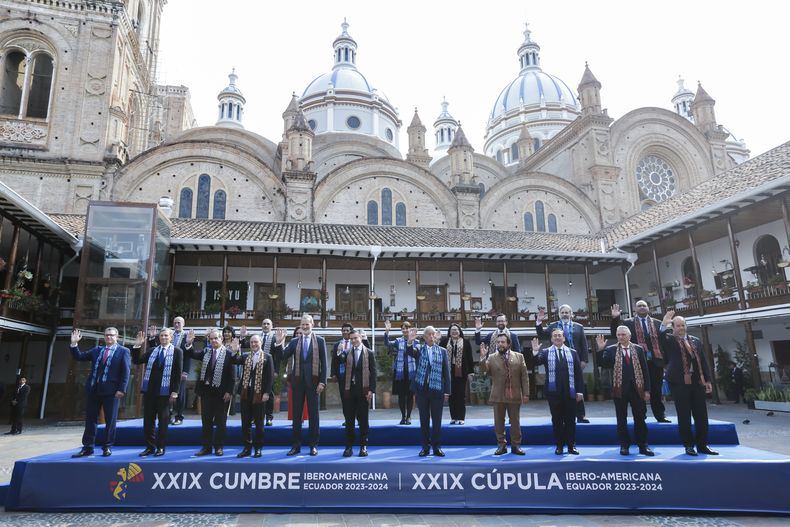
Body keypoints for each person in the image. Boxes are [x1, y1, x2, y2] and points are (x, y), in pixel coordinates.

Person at [659, 312, 718, 456]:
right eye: (678, 326)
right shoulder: (670, 339)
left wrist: (708, 380)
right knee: (684, 415)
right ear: (673, 328)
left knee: (701, 415)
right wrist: (663, 324)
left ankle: (702, 445)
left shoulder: (695, 340)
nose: (681, 328)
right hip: (679, 383)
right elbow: (660, 338)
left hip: (697, 381)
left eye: (683, 325)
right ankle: (688, 445)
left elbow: (703, 360)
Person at [69, 327, 131, 457]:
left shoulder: (123, 351)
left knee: (110, 420)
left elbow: (126, 372)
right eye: (107, 335)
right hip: (94, 390)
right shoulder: (97, 350)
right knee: (90, 419)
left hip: (112, 392)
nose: (109, 337)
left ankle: (107, 446)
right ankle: (88, 447)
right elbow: (79, 357)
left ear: (117, 337)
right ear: (104, 337)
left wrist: (122, 389)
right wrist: (74, 344)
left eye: (112, 335)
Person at [596, 327, 655, 456]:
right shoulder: (611, 350)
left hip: (637, 389)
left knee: (640, 418)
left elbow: (645, 370)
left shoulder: (638, 349)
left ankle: (643, 446)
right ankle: (624, 445)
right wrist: (600, 350)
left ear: (629, 335)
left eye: (623, 334)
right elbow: (603, 364)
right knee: (621, 419)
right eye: (618, 335)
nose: (621, 337)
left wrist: (647, 390)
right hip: (619, 390)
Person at [275, 314, 327, 456]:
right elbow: (283, 357)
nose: (304, 327)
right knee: (297, 416)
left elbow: (324, 363)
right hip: (297, 383)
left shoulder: (320, 341)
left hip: (314, 383)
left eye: (307, 324)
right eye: (302, 324)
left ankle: (313, 445)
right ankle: (296, 445)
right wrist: (279, 344)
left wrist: (323, 381)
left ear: (312, 325)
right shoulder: (294, 341)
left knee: (314, 416)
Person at [610, 301, 671, 422]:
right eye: (639, 306)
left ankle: (660, 415)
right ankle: (641, 414)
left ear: (648, 308)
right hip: (636, 361)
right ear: (635, 309)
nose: (642, 308)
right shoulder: (628, 322)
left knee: (656, 389)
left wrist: (665, 328)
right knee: (638, 390)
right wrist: (615, 318)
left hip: (654, 362)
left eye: (644, 305)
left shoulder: (658, 323)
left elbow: (664, 342)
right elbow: (615, 333)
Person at [531, 330, 584, 455]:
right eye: (554, 336)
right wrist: (534, 351)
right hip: (553, 393)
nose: (557, 337)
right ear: (551, 339)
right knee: (557, 420)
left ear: (564, 338)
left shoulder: (572, 352)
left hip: (570, 392)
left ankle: (571, 446)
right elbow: (535, 362)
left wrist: (580, 391)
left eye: (559, 335)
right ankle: (559, 446)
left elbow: (578, 374)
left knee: (571, 420)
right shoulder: (546, 352)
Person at [184, 328, 235, 456]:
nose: (213, 341)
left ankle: (219, 447)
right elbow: (192, 354)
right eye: (211, 339)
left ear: (221, 339)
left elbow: (232, 376)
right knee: (206, 422)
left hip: (222, 394)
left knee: (221, 422)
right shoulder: (206, 352)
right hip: (206, 393)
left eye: (216, 338)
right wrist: (189, 344)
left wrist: (229, 391)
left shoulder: (229, 354)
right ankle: (206, 447)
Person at [132, 328, 183, 457]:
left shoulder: (177, 351)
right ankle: (150, 447)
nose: (163, 338)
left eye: (166, 335)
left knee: (163, 420)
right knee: (148, 420)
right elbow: (137, 361)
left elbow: (178, 373)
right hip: (150, 391)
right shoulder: (152, 350)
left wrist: (175, 391)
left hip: (165, 392)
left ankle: (160, 447)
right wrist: (137, 346)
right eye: (161, 335)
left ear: (171, 337)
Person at [536, 305, 590, 423]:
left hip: (574, 359)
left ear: (571, 314)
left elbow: (583, 344)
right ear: (559, 314)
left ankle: (580, 414)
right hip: (557, 359)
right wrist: (539, 322)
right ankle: (560, 414)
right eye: (562, 312)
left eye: (567, 312)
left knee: (577, 386)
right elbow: (542, 335)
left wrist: (584, 360)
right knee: (561, 388)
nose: (565, 314)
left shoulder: (579, 327)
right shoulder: (553, 326)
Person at [479, 334, 529, 455]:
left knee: (515, 422)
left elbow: (524, 377)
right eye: (498, 342)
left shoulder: (519, 357)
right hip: (498, 395)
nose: (500, 344)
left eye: (502, 342)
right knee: (498, 422)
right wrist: (482, 358)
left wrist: (526, 394)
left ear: (508, 344)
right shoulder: (491, 357)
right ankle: (501, 445)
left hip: (514, 394)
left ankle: (516, 446)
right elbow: (483, 373)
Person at [406, 325, 451, 457]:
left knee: (437, 421)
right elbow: (409, 352)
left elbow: (446, 373)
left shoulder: (442, 351)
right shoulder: (419, 349)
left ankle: (437, 447)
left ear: (436, 336)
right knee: (424, 420)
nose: (431, 337)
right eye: (428, 335)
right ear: (424, 337)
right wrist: (410, 341)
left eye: (433, 334)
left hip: (437, 390)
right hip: (422, 390)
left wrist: (447, 391)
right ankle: (425, 447)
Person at [230, 334, 274, 458]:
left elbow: (270, 377)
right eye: (252, 342)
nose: (254, 344)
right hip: (246, 393)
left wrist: (266, 393)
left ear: (261, 342)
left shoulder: (267, 357)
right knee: (245, 422)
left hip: (260, 394)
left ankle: (258, 448)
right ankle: (247, 448)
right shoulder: (245, 356)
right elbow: (234, 361)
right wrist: (234, 351)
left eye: (256, 342)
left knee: (259, 423)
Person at [146, 318, 190, 425]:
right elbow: (156, 350)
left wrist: (185, 371)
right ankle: (167, 416)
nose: (176, 324)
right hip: (165, 372)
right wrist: (152, 338)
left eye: (179, 322)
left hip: (179, 370)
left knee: (179, 393)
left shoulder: (187, 336)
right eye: (175, 322)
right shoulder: (168, 334)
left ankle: (179, 416)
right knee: (166, 394)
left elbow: (188, 356)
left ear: (183, 324)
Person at [342, 329, 376, 457]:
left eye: (355, 338)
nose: (354, 341)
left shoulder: (369, 353)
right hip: (349, 392)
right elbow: (339, 363)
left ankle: (363, 446)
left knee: (363, 420)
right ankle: (349, 446)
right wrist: (339, 353)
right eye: (351, 339)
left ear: (361, 338)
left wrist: (371, 390)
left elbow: (374, 373)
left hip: (364, 391)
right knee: (349, 420)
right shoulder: (346, 353)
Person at [332, 323, 371, 426]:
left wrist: (365, 338)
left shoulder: (355, 343)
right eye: (343, 330)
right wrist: (333, 374)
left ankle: (359, 419)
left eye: (347, 330)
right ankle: (348, 419)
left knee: (358, 400)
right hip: (342, 377)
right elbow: (334, 360)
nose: (345, 332)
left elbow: (368, 350)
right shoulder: (337, 344)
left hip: (356, 378)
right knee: (345, 400)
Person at [439, 323, 474, 425]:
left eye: (456, 330)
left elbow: (470, 358)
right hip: (448, 372)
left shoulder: (466, 342)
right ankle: (453, 417)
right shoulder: (444, 342)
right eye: (452, 330)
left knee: (460, 395)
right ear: (449, 332)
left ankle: (461, 418)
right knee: (451, 395)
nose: (454, 331)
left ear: (460, 332)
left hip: (461, 373)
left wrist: (471, 372)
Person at [384, 319, 416, 425]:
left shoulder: (416, 341)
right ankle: (403, 416)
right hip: (400, 373)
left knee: (410, 396)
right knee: (401, 396)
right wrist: (387, 332)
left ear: (410, 329)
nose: (405, 330)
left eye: (406, 328)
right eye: (403, 328)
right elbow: (387, 344)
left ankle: (409, 417)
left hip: (412, 373)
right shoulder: (398, 341)